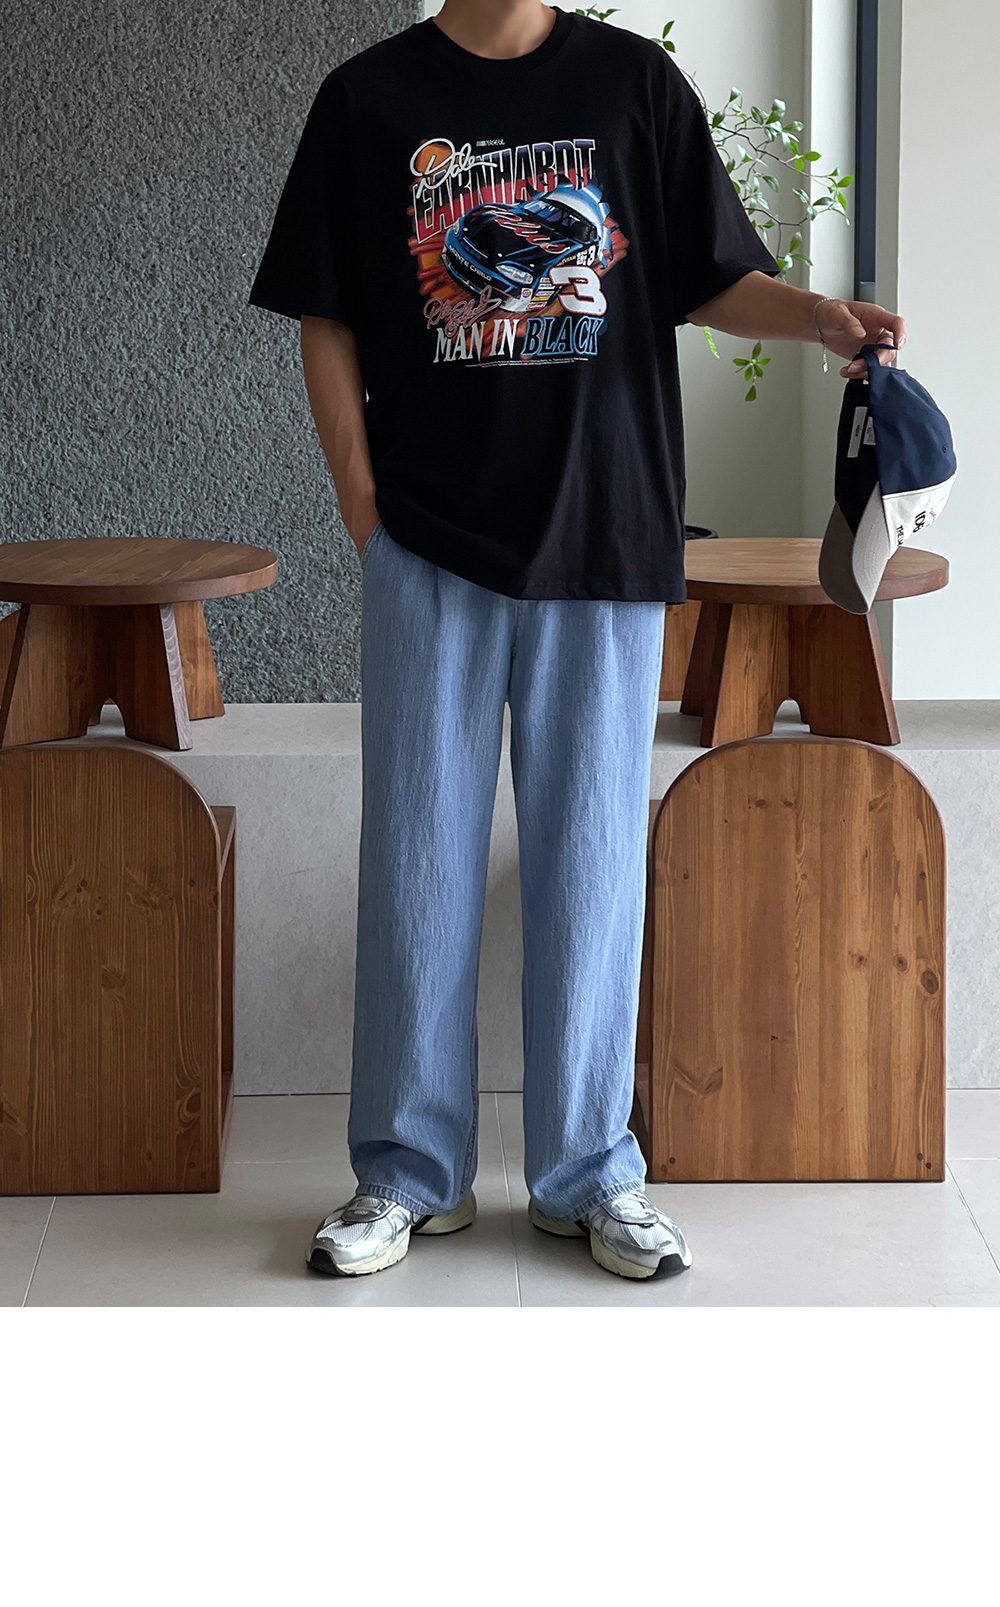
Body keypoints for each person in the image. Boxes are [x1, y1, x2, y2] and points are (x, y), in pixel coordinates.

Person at [248, 0, 905, 1282]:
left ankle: (590, 1173)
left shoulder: (634, 85)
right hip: (429, 539)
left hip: (605, 534)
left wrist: (821, 318)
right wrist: (360, 501)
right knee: (417, 865)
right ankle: (406, 1173)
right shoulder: (367, 99)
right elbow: (324, 312)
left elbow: (709, 277)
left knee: (591, 869)